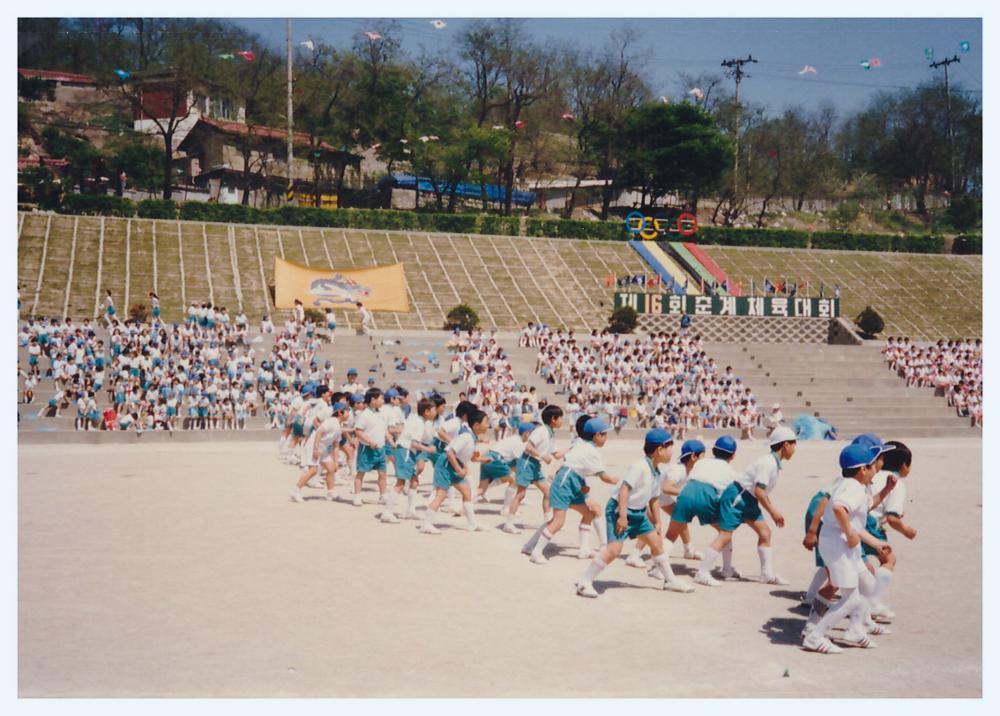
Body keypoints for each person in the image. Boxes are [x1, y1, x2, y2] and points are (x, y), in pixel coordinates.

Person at [574, 429, 695, 597]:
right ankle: (584, 582)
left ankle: (670, 581)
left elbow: (653, 499)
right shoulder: (640, 466)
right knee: (614, 550)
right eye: (670, 447)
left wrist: (658, 522)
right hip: (619, 510)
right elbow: (624, 490)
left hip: (639, 513)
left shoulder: (657, 471)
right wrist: (622, 517)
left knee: (657, 544)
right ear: (659, 450)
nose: (672, 452)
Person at [801, 444, 885, 654]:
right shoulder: (853, 488)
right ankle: (815, 635)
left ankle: (855, 629)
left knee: (868, 584)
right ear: (863, 469)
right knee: (851, 598)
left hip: (838, 540)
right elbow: (839, 508)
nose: (877, 469)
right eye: (873, 465)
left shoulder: (848, 484)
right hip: (838, 543)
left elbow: (855, 520)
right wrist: (849, 534)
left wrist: (874, 543)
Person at [702, 426, 798, 587]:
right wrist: (773, 512)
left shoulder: (773, 462)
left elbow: (760, 492)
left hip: (749, 499)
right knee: (725, 535)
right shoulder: (768, 463)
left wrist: (772, 509)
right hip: (737, 496)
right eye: (794, 444)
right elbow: (760, 491)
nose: (795, 448)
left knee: (765, 532)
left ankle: (766, 575)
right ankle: (703, 572)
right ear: (785, 445)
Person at [523, 417, 616, 564]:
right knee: (558, 521)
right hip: (565, 483)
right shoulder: (590, 450)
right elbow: (604, 477)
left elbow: (575, 465)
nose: (606, 438)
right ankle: (536, 551)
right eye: (605, 434)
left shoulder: (583, 445)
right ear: (597, 435)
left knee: (590, 512)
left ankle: (584, 549)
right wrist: (621, 482)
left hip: (572, 482)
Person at [661, 436, 740, 586]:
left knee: (671, 534)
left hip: (685, 493)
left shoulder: (702, 462)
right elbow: (727, 495)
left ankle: (660, 569)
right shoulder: (731, 472)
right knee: (725, 534)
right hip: (706, 496)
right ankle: (717, 571)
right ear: (733, 455)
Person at [419, 409, 491, 534]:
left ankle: (472, 524)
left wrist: (482, 460)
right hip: (446, 465)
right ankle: (426, 524)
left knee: (467, 492)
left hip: (455, 465)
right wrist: (458, 469)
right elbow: (449, 451)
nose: (488, 425)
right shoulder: (466, 437)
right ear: (476, 425)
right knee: (441, 495)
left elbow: (471, 458)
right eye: (486, 422)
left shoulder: (472, 438)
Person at [502, 404, 565, 534]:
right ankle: (508, 523)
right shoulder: (541, 431)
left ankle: (549, 521)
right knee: (520, 494)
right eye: (561, 418)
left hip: (535, 465)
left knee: (548, 492)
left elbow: (557, 454)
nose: (562, 420)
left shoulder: (551, 433)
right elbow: (528, 447)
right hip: (526, 462)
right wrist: (542, 456)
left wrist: (573, 449)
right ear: (554, 418)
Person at [380, 398, 437, 522]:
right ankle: (387, 512)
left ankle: (411, 510)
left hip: (406, 451)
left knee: (414, 481)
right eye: (433, 410)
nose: (435, 412)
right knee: (400, 483)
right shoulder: (420, 424)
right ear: (427, 411)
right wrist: (428, 450)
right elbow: (414, 444)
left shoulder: (417, 420)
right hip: (405, 451)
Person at [351, 388, 388, 506]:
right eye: (381, 398)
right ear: (373, 399)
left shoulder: (382, 413)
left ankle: (383, 495)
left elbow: (384, 429)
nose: (383, 401)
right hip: (367, 449)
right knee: (361, 472)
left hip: (381, 448)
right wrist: (370, 441)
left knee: (382, 473)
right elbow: (358, 431)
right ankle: (357, 496)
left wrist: (391, 442)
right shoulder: (364, 414)